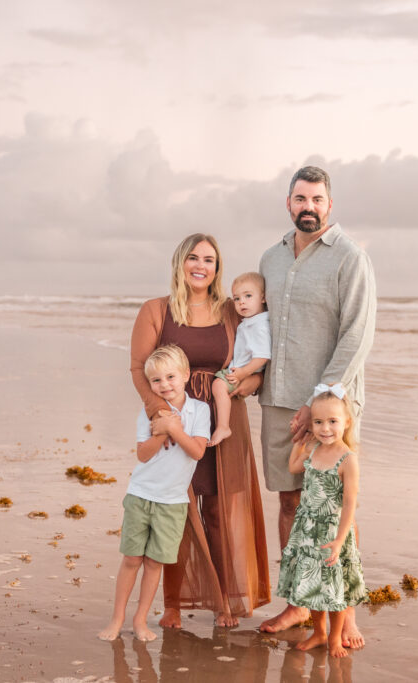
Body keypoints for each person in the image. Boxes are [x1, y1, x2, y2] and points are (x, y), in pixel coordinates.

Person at [258, 165, 376, 647]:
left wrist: (319, 397)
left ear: (330, 204)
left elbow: (358, 333)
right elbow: (257, 324)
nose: (309, 207)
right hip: (279, 400)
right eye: (301, 199)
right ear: (289, 203)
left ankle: (345, 613)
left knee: (335, 504)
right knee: (290, 502)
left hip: (332, 406)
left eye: (318, 200)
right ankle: (299, 601)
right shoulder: (270, 257)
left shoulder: (350, 258)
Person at [130, 233, 270, 628]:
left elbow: (257, 363)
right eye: (193, 257)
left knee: (221, 513)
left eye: (209, 259)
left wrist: (243, 385)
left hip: (224, 421)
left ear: (217, 268)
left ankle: (224, 599)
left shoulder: (232, 309)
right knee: (178, 510)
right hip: (177, 420)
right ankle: (173, 602)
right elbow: (139, 368)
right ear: (180, 262)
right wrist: (163, 417)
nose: (200, 266)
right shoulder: (156, 309)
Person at [98, 345, 209, 642]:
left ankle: (140, 619)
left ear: (185, 375)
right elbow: (143, 455)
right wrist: (161, 431)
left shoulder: (200, 410)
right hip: (141, 495)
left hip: (172, 503)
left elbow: (197, 451)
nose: (165, 385)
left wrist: (174, 429)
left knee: (154, 563)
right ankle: (117, 617)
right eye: (156, 381)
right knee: (132, 559)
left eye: (171, 377)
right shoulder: (148, 414)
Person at [275, 385, 365, 658]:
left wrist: (340, 539)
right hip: (307, 531)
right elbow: (293, 468)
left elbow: (350, 503)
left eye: (332, 422)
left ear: (346, 422)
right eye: (318, 422)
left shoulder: (348, 459)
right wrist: (299, 444)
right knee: (312, 584)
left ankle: (335, 638)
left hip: (331, 533)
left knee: (335, 589)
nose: (325, 428)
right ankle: (319, 632)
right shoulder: (313, 450)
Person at [209, 272, 270, 447]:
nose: (241, 302)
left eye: (248, 296)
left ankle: (223, 426)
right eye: (236, 298)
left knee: (218, 385)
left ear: (263, 298)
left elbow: (263, 356)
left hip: (243, 370)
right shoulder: (250, 322)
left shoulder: (259, 326)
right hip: (241, 369)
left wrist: (244, 372)